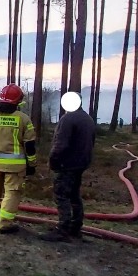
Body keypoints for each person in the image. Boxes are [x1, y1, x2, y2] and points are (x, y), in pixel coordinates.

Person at [0, 84, 37, 234]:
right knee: (12, 193)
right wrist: (32, 164)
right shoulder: (23, 119)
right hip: (15, 167)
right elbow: (30, 145)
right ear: (18, 101)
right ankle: (5, 223)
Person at [40, 92, 96, 242]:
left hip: (67, 164)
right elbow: (92, 142)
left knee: (62, 194)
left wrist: (53, 160)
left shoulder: (67, 119)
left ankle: (63, 230)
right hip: (81, 163)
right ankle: (75, 227)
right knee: (74, 195)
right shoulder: (88, 119)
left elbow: (61, 144)